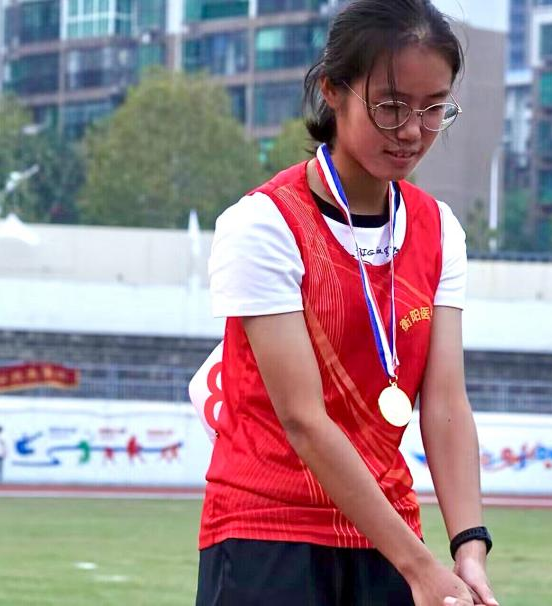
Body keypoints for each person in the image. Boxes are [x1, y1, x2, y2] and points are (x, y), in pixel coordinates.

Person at [198, 2, 497, 605]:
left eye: (433, 108)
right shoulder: (264, 224)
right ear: (332, 91)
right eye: (390, 106)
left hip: (388, 539)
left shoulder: (440, 230)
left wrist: (468, 547)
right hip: (267, 534)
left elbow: (445, 401)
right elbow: (304, 420)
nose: (412, 131)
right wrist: (420, 568)